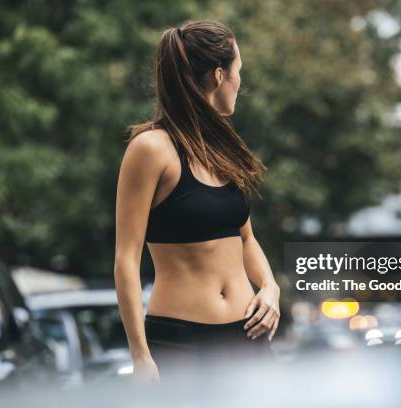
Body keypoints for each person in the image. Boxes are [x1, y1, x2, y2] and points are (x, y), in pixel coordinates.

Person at [114, 20, 280, 383]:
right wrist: (141, 355)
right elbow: (127, 258)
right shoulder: (150, 148)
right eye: (239, 71)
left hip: (247, 337)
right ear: (220, 74)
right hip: (182, 344)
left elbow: (246, 238)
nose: (241, 81)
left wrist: (270, 287)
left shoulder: (225, 150)